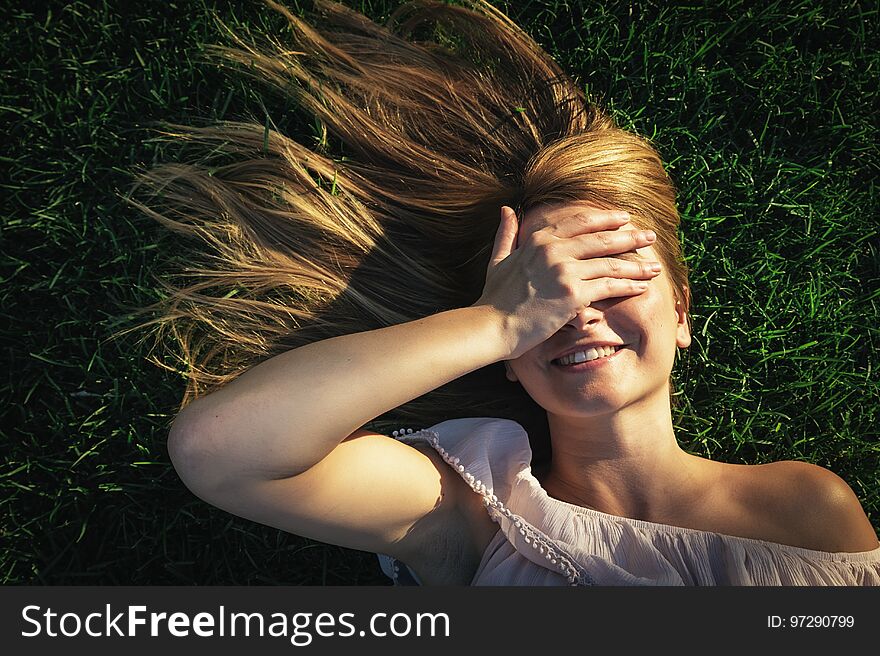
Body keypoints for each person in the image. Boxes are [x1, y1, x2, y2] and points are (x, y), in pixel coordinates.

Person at [137, 0, 880, 585]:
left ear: (681, 310)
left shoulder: (806, 506)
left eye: (609, 268)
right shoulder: (470, 511)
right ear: (509, 356)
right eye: (543, 288)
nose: (578, 309)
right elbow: (219, 451)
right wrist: (493, 321)